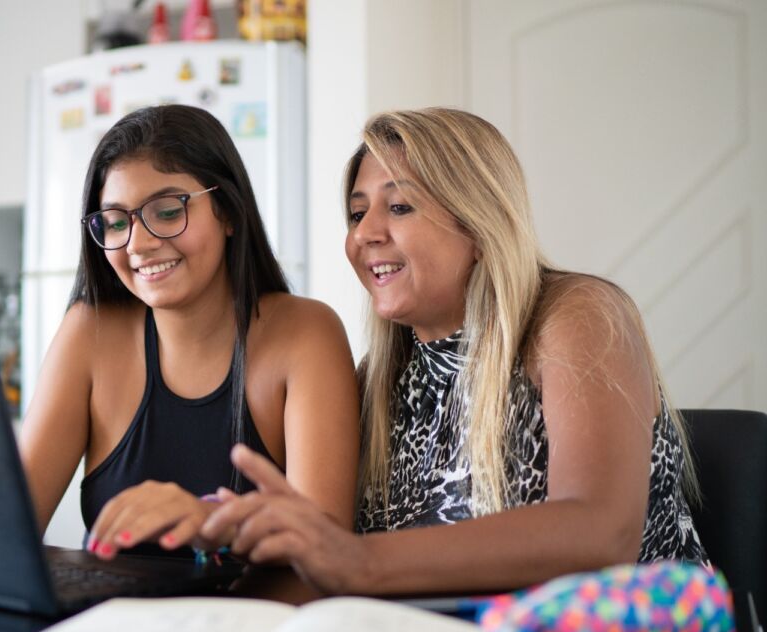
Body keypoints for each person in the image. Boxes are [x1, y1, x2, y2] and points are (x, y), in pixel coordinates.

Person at [202, 107, 708, 594]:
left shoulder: (574, 315)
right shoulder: (379, 379)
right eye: (357, 213)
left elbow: (600, 534)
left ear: (479, 224)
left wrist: (359, 561)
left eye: (399, 206)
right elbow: (314, 556)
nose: (363, 234)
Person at [19, 105, 359, 559]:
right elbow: (9, 528)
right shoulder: (89, 332)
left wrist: (214, 522)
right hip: (112, 606)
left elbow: (330, 556)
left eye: (166, 211)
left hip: (253, 608)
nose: (139, 244)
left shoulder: (305, 334)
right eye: (116, 222)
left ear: (228, 212)